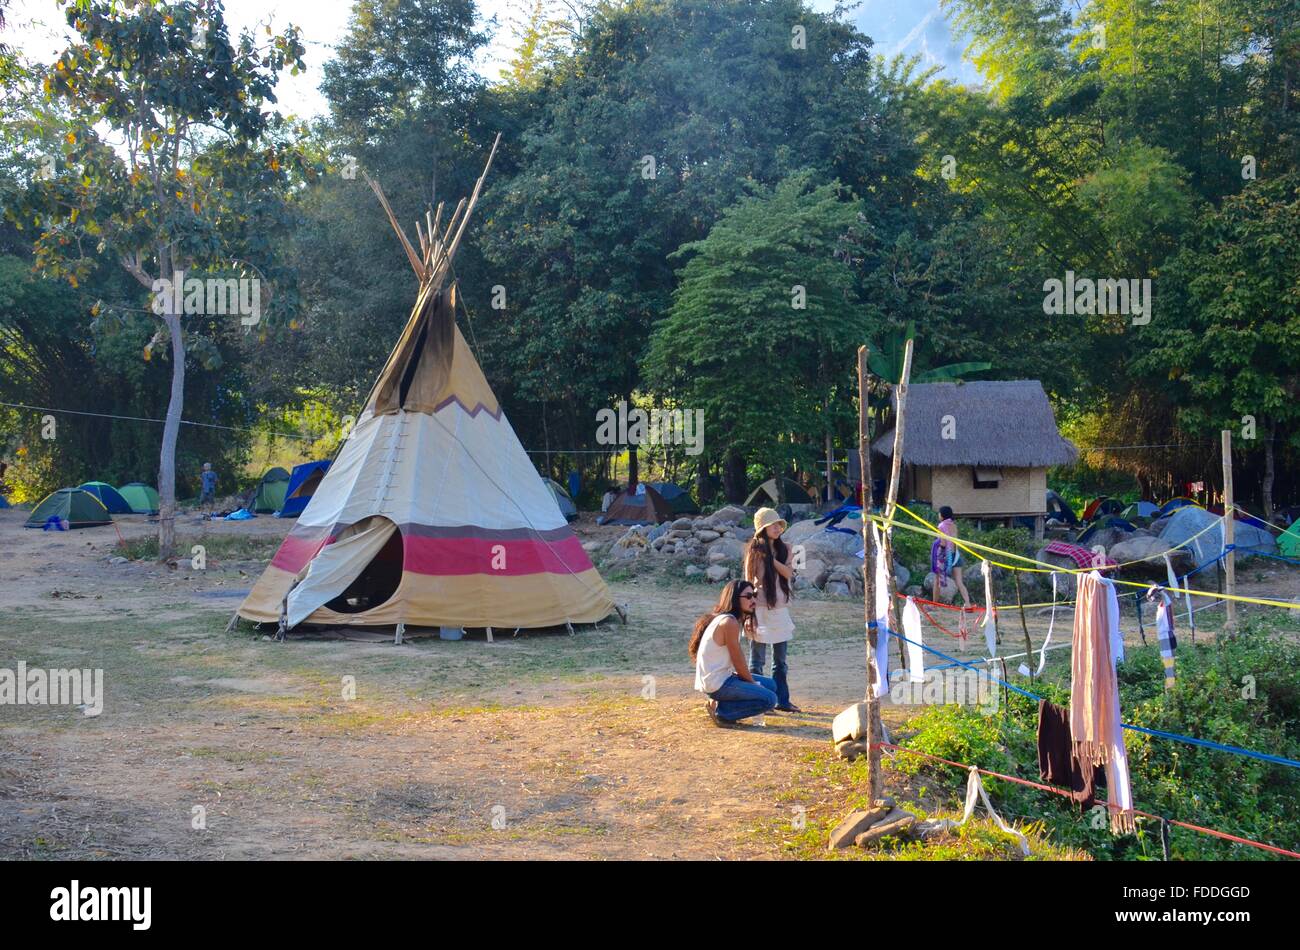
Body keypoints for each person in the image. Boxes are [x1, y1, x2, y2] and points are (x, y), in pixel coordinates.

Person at [689, 579, 778, 726]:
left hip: (724, 677)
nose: (753, 600)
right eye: (748, 596)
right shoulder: (729, 623)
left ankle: (719, 702)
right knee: (770, 699)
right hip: (717, 683)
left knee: (771, 685)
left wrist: (752, 684)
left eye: (754, 595)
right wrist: (753, 684)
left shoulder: (730, 620)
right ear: (735, 598)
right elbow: (738, 661)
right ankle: (723, 713)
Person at [743, 507, 800, 712]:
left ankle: (782, 701)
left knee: (780, 661)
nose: (777, 528)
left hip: (779, 608)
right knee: (756, 660)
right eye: (772, 525)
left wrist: (771, 559)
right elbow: (749, 581)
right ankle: (758, 701)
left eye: (778, 525)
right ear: (763, 529)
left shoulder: (786, 548)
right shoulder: (753, 550)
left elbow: (787, 573)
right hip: (758, 607)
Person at [931, 505, 973, 631]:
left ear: (942, 515)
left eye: (939, 513)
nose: (938, 515)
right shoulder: (954, 525)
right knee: (959, 582)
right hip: (955, 555)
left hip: (945, 555)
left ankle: (934, 605)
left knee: (937, 579)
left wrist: (939, 553)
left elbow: (943, 542)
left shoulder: (942, 526)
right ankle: (968, 604)